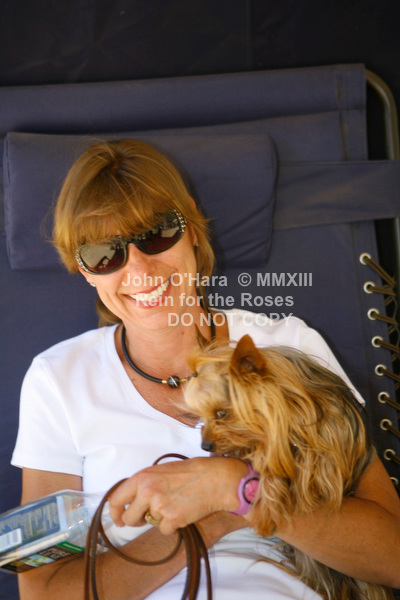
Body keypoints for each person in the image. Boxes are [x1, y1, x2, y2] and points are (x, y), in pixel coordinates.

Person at [11, 139, 400, 600]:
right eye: (103, 253)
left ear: (192, 227)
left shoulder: (289, 347)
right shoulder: (57, 379)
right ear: (84, 270)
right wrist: (209, 520)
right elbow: (43, 591)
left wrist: (240, 491)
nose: (140, 269)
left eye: (157, 232)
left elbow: (392, 558)